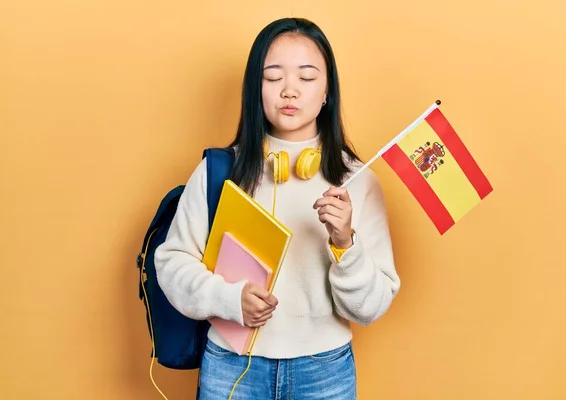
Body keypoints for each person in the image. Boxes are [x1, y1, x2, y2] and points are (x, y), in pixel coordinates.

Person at [154, 17, 401, 400]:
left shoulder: (356, 180)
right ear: (256, 89)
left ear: (326, 93)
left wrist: (345, 244)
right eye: (273, 78)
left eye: (306, 78)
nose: (289, 90)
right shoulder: (220, 171)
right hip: (231, 365)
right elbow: (171, 263)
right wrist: (230, 300)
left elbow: (369, 308)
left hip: (325, 372)